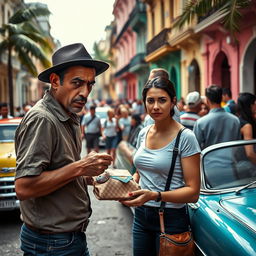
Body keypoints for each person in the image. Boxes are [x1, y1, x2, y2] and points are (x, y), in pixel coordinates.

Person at [14, 43, 113, 256]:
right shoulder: (43, 119)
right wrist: (80, 168)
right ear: (55, 81)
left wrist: (89, 175)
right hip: (52, 244)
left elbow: (58, 170)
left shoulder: (68, 115)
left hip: (66, 240)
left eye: (89, 84)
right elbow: (24, 188)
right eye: (77, 83)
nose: (85, 92)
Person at [122, 77, 201, 256]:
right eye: (150, 100)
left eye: (162, 100)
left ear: (173, 101)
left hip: (171, 218)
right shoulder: (144, 133)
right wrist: (129, 186)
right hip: (141, 216)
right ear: (144, 103)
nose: (155, 106)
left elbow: (193, 192)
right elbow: (140, 173)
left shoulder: (186, 138)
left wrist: (156, 195)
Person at [193, 85, 241, 149]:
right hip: (231, 158)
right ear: (221, 98)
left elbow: (195, 148)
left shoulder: (200, 123)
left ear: (207, 100)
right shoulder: (235, 120)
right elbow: (238, 145)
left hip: (209, 158)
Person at [236, 92, 256, 164]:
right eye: (254, 103)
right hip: (247, 166)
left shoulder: (238, 120)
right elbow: (250, 154)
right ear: (250, 106)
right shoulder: (247, 126)